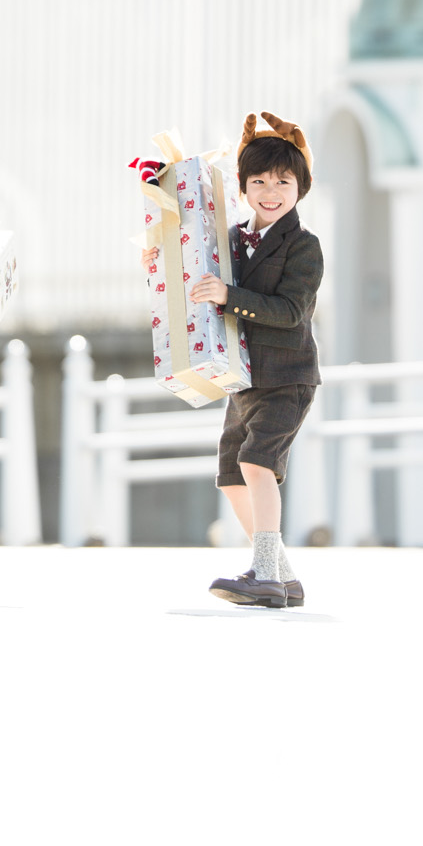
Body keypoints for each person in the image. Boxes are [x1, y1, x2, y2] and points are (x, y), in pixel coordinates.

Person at [145, 114, 322, 608]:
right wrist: (160, 257)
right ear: (242, 187)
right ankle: (283, 577)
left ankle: (264, 573)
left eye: (283, 181)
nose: (271, 192)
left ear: (300, 187)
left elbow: (290, 312)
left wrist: (230, 297)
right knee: (231, 476)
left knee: (256, 462)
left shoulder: (304, 246)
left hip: (287, 377)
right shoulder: (233, 238)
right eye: (259, 181)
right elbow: (198, 270)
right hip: (242, 377)